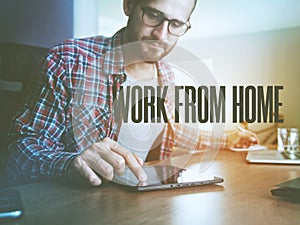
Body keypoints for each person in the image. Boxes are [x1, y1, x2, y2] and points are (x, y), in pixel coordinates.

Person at [5, 0, 258, 186]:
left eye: (176, 24)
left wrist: (230, 137)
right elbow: (17, 153)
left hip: (143, 210)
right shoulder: (69, 60)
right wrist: (70, 163)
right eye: (153, 15)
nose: (160, 34)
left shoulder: (167, 76)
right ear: (128, 5)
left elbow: (176, 130)